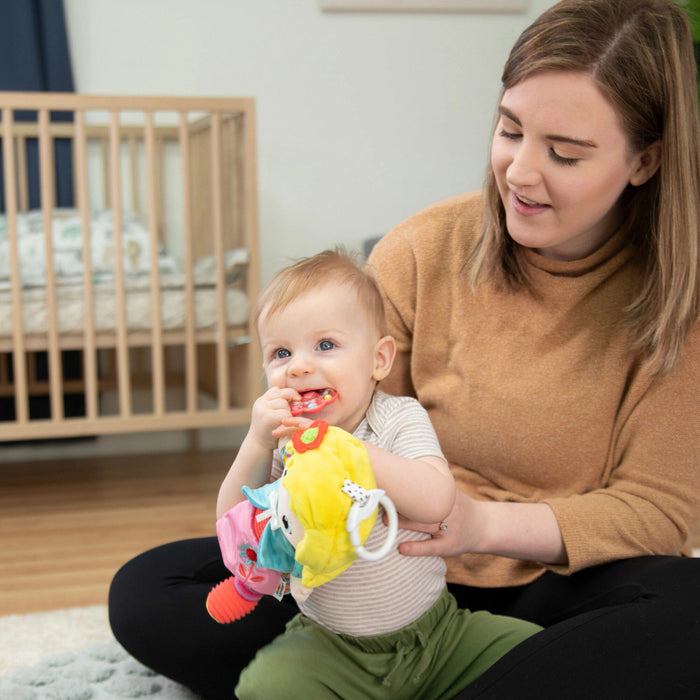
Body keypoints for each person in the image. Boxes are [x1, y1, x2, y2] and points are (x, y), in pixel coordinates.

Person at [109, 0, 700, 697]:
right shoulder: (427, 247)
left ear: (646, 161)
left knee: (688, 609)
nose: (518, 172)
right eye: (509, 131)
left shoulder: (676, 300)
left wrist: (478, 524)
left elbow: (659, 512)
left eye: (564, 153)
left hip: (547, 586)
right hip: (376, 571)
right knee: (149, 587)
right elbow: (334, 400)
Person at [218, 249, 541, 699]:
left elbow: (434, 500)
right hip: (334, 647)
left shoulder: (397, 418)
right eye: (280, 353)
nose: (299, 366)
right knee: (266, 685)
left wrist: (349, 451)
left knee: (542, 654)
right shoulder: (287, 442)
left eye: (325, 345)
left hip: (440, 636)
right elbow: (234, 530)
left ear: (379, 360)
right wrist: (257, 442)